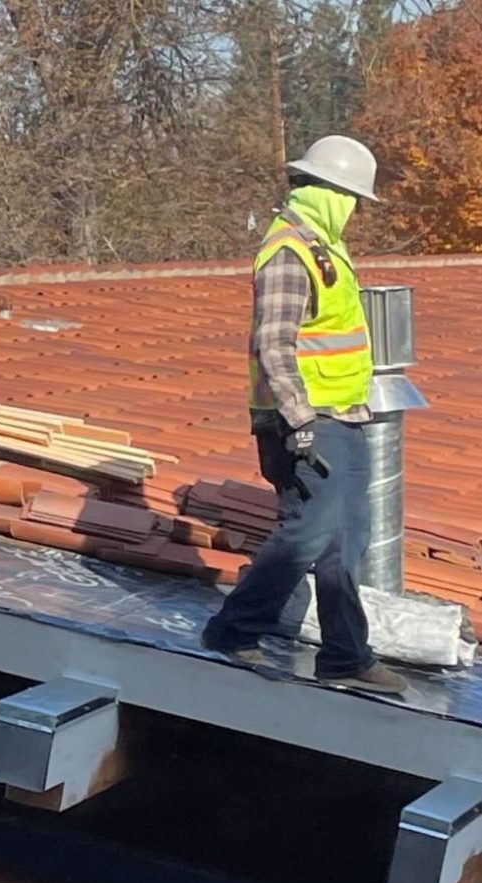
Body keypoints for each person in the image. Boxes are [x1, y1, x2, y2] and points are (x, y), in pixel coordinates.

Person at [202, 135, 406, 695]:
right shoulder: (291, 252)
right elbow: (274, 343)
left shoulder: (323, 247)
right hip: (308, 420)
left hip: (343, 414)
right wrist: (299, 417)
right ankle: (234, 628)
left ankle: (345, 655)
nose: (357, 209)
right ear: (332, 193)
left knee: (346, 538)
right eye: (354, 198)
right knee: (309, 532)